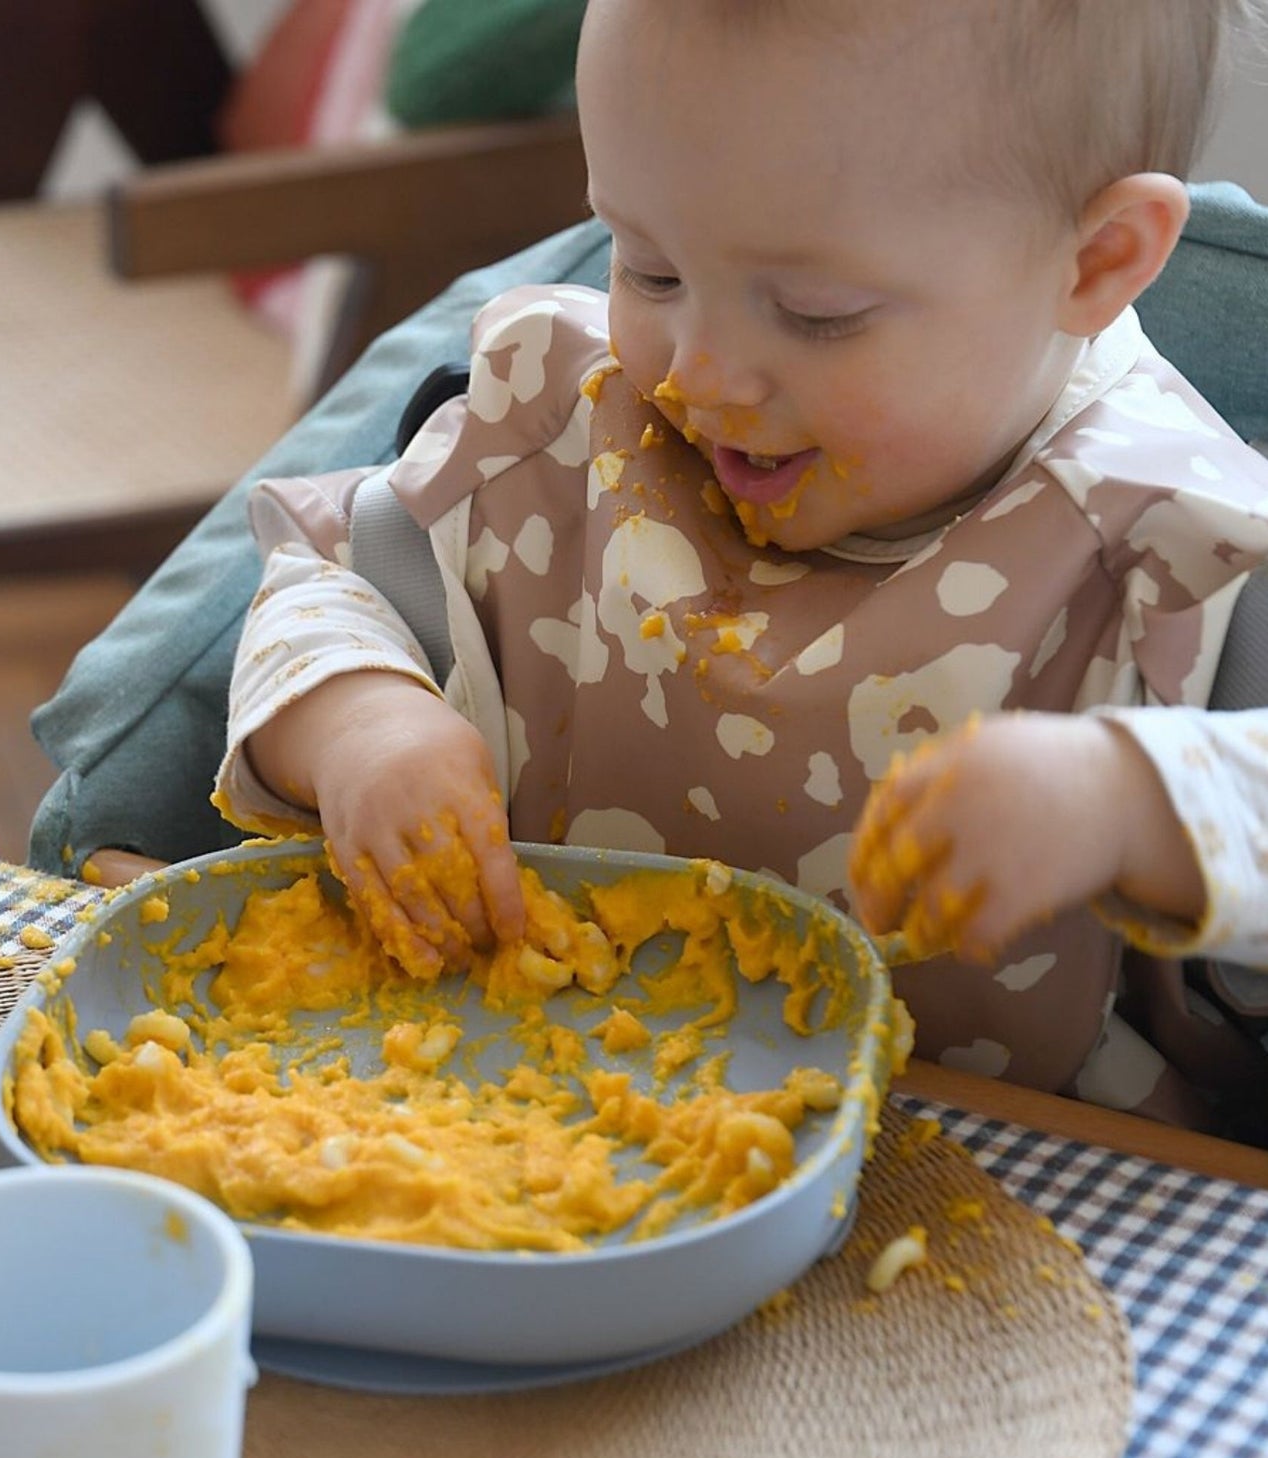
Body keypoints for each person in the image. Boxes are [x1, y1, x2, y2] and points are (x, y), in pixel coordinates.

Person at [216, 0, 1268, 1132]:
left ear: (1099, 261)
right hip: (523, 1125)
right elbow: (324, 579)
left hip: (1018, 1205)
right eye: (651, 269)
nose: (702, 373)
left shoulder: (1175, 561)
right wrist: (361, 723)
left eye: (816, 314)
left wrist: (1130, 801)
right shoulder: (562, 434)